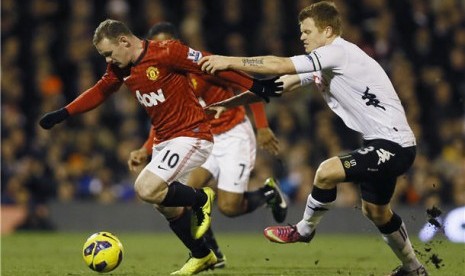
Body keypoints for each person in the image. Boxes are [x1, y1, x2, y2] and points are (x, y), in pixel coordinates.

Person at [199, 2, 428, 276]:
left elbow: (280, 63)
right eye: (301, 31)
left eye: (307, 31)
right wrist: (231, 103)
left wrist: (228, 60)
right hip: (380, 144)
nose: (302, 36)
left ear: (327, 30)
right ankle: (414, 269)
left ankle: (304, 230)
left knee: (326, 171)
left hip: (395, 145)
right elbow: (277, 84)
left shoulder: (338, 52)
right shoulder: (325, 62)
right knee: (376, 212)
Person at [39, 19, 281, 275]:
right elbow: (100, 91)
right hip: (166, 141)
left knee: (145, 188)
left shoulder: (167, 52)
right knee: (163, 203)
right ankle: (202, 255)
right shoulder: (121, 68)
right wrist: (64, 113)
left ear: (124, 41)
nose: (108, 60)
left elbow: (215, 66)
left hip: (192, 134)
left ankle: (201, 198)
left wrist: (256, 85)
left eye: (109, 53)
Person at [127, 22, 288, 269]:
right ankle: (213, 254)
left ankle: (267, 193)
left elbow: (247, 83)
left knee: (229, 207)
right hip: (200, 137)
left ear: (176, 42)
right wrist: (145, 149)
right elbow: (163, 118)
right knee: (182, 196)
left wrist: (262, 126)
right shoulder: (158, 73)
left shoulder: (201, 62)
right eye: (157, 44)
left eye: (167, 41)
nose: (163, 47)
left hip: (234, 134)